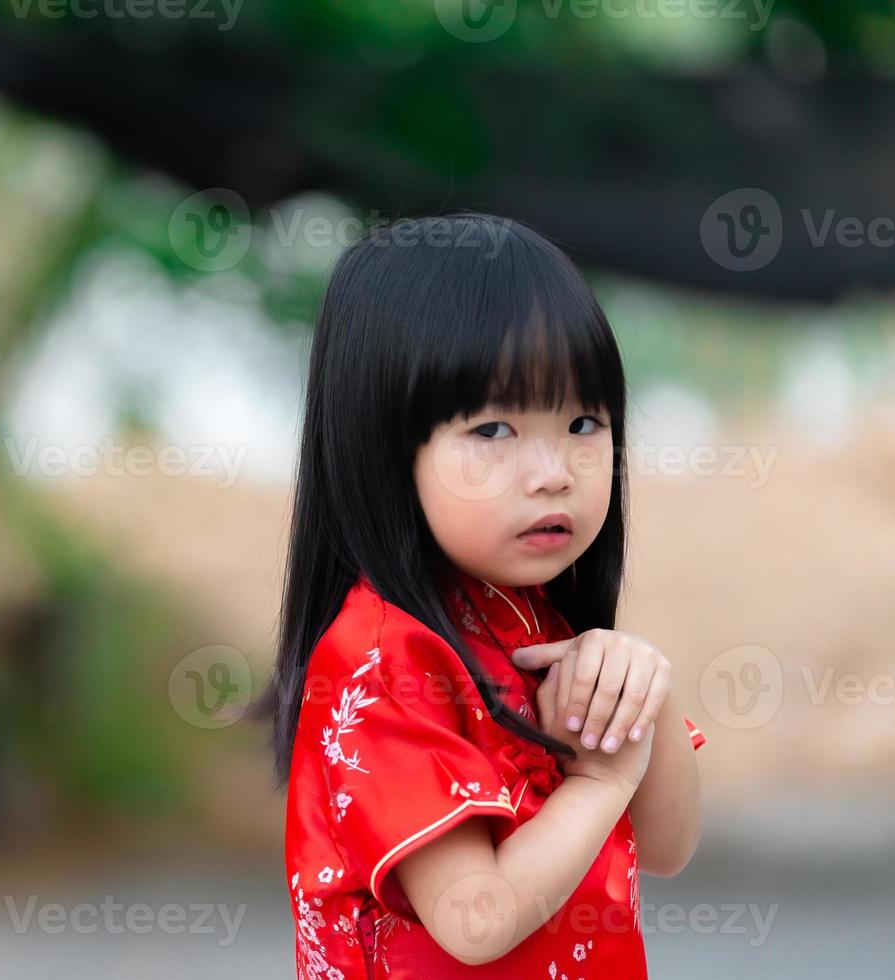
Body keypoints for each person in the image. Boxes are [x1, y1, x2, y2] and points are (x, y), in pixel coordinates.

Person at [253, 211, 706, 978]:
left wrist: (646, 700)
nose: (554, 470)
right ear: (382, 449)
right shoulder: (379, 660)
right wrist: (600, 779)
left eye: (583, 421)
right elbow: (475, 918)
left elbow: (667, 847)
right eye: (494, 429)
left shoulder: (537, 621)